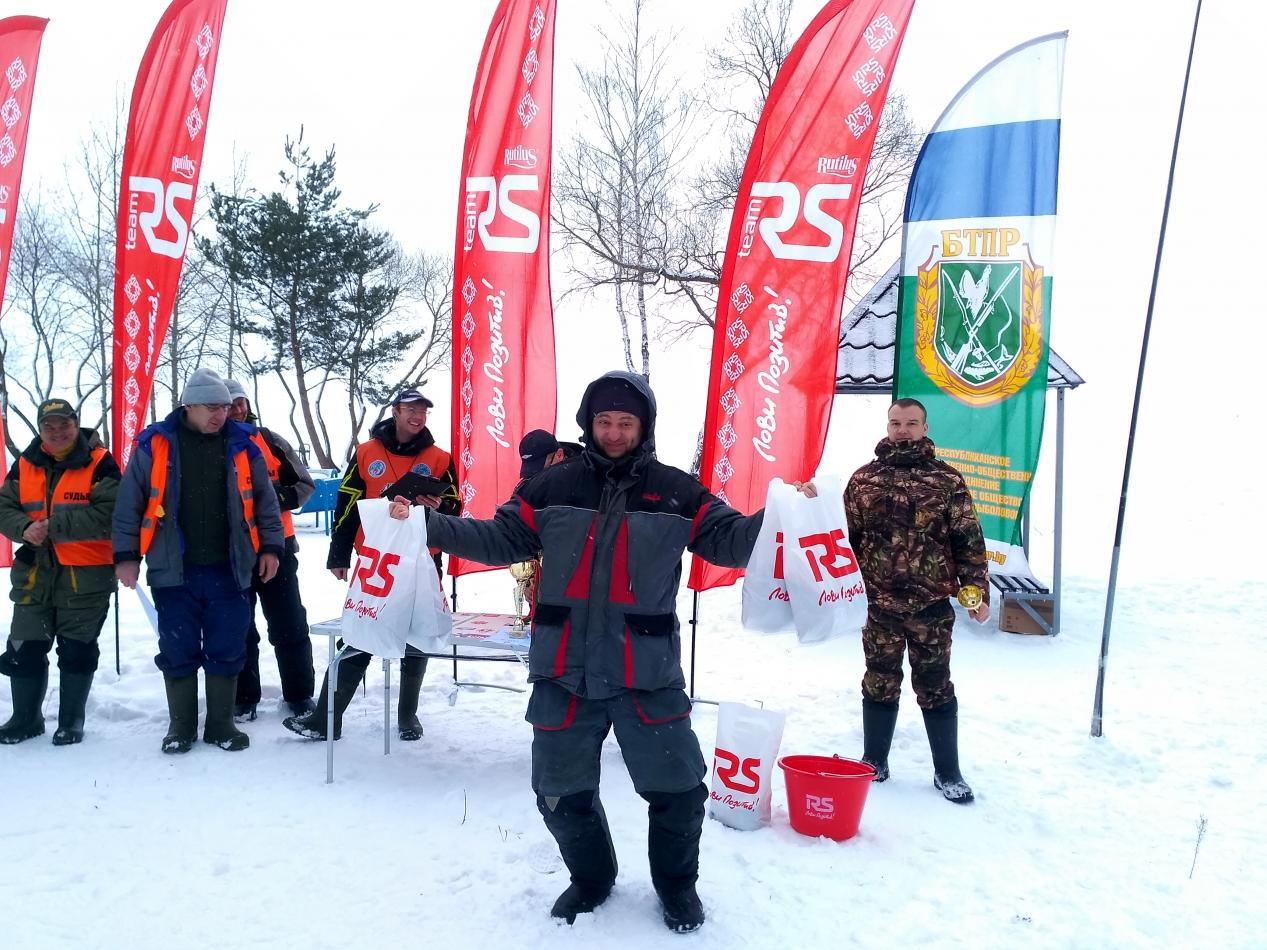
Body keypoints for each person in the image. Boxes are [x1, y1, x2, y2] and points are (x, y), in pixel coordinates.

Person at [394, 371, 773, 934]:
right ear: (588, 424)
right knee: (558, 792)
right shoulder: (552, 486)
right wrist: (428, 523)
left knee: (679, 790)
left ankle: (676, 887)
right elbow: (497, 539)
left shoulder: (677, 491)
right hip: (563, 668)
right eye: (604, 421)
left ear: (644, 426)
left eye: (626, 422)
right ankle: (592, 879)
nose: (614, 432)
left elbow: (733, 541)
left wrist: (784, 513)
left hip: (646, 671)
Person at [112, 368, 284, 754]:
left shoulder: (244, 445)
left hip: (230, 569)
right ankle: (181, 726)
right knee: (178, 648)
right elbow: (128, 505)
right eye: (211, 407)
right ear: (188, 406)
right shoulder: (155, 444)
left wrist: (271, 548)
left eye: (224, 407)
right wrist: (125, 556)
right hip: (173, 570)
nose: (220, 414)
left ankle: (221, 725)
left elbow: (266, 504)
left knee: (228, 645)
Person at [283, 387, 459, 742]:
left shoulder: (440, 457)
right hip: (377, 562)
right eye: (410, 409)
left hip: (423, 561)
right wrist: (338, 552)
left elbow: (455, 506)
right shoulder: (367, 452)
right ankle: (325, 719)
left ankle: (407, 717)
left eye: (423, 411)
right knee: (359, 632)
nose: (417, 416)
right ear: (395, 412)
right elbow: (348, 502)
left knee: (418, 634)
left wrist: (440, 506)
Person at [836, 397, 990, 804]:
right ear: (887, 427)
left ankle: (948, 771)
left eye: (910, 423)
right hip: (879, 605)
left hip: (930, 606)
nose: (902, 430)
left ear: (925, 428)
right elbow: (844, 538)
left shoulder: (947, 480)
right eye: (895, 423)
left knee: (935, 684)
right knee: (879, 680)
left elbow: (968, 541)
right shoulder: (863, 480)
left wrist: (976, 592)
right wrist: (811, 499)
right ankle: (874, 761)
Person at [0, 398, 119, 745]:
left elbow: (112, 513)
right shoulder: (25, 463)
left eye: (64, 424)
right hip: (34, 573)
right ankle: (26, 719)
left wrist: (53, 526)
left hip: (86, 576)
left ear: (76, 424)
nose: (57, 432)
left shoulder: (100, 462)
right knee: (24, 646)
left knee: (76, 649)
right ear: (40, 429)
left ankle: (71, 721)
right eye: (48, 426)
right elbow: (4, 507)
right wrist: (24, 528)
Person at [224, 379, 317, 721]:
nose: (236, 409)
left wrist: (271, 498)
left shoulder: (269, 440)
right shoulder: (212, 444)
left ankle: (299, 695)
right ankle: (243, 697)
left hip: (279, 547)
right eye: (229, 403)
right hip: (232, 552)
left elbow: (305, 484)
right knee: (239, 627)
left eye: (240, 402)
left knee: (290, 623)